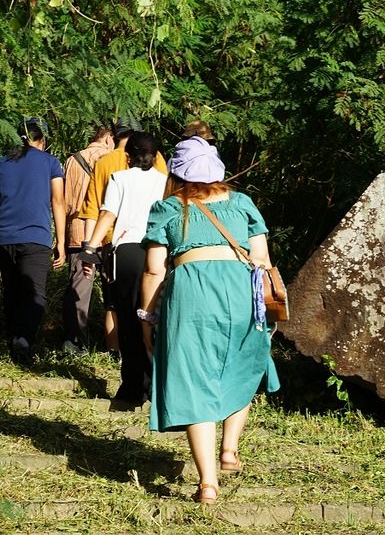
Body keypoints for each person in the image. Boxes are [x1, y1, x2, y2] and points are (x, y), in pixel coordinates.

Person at [137, 135, 280, 504]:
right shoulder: (242, 202)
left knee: (193, 378)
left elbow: (154, 271)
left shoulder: (167, 207)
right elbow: (262, 260)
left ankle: (207, 484)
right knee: (241, 364)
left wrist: (147, 317)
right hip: (241, 290)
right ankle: (229, 449)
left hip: (192, 293)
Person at [79, 132, 167, 404]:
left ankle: (132, 389)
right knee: (154, 319)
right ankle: (156, 388)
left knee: (129, 320)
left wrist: (90, 248)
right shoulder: (166, 183)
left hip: (127, 252)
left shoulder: (121, 178)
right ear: (155, 156)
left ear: (128, 156)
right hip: (158, 251)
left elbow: (108, 214)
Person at [0, 118, 66, 365]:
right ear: (41, 140)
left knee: (11, 291)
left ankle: (14, 342)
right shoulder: (50, 163)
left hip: (4, 236)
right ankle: (23, 344)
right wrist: (60, 242)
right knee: (35, 294)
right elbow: (58, 202)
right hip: (36, 237)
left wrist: (4, 226)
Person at [60, 125, 115, 352]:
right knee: (114, 292)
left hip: (78, 233)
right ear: (108, 138)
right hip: (109, 233)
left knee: (79, 291)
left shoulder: (72, 161)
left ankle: (74, 342)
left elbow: (65, 203)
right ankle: (115, 344)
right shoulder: (112, 159)